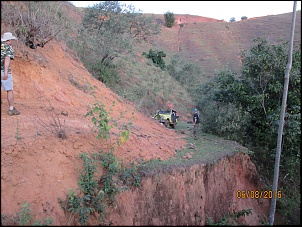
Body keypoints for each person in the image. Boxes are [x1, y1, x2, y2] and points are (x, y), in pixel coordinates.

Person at [1, 32, 20, 116]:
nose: (11, 41)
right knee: (9, 89)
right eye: (11, 40)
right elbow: (7, 58)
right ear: (8, 40)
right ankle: (11, 109)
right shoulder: (8, 48)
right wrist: (5, 71)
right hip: (3, 71)